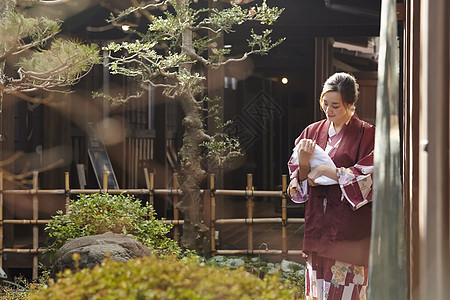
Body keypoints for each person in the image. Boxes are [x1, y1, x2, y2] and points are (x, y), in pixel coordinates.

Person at [287, 72, 375, 300]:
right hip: (318, 221)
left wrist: (331, 172)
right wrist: (305, 163)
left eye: (335, 105)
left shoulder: (368, 134)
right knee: (317, 291)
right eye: (325, 104)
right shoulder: (312, 132)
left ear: (350, 103)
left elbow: (371, 176)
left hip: (349, 226)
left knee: (347, 291)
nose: (328, 110)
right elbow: (299, 184)